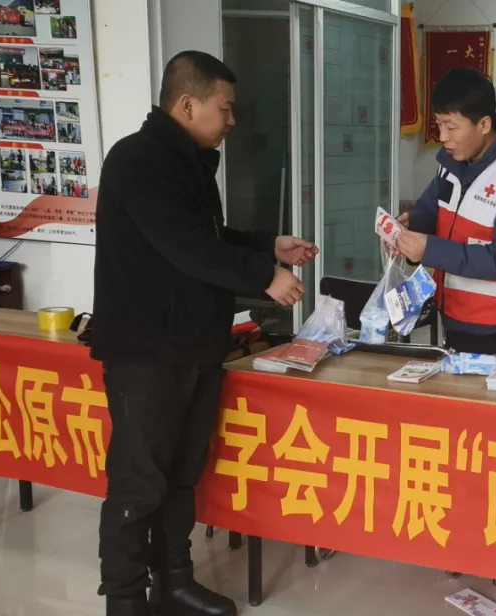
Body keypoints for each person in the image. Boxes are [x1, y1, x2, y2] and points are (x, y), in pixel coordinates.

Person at [91, 50, 316, 616]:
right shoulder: (137, 159)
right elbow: (185, 246)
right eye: (226, 108)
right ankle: (125, 598)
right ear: (188, 105)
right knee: (140, 480)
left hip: (194, 343)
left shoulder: (189, 161)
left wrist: (268, 245)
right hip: (147, 352)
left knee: (182, 474)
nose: (232, 121)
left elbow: (209, 234)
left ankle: (174, 581)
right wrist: (265, 276)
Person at [393, 67, 496, 355]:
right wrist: (407, 227)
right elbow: (431, 208)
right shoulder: (451, 164)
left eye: (451, 127)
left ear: (484, 124)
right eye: (439, 124)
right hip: (452, 313)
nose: (443, 137)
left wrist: (428, 249)